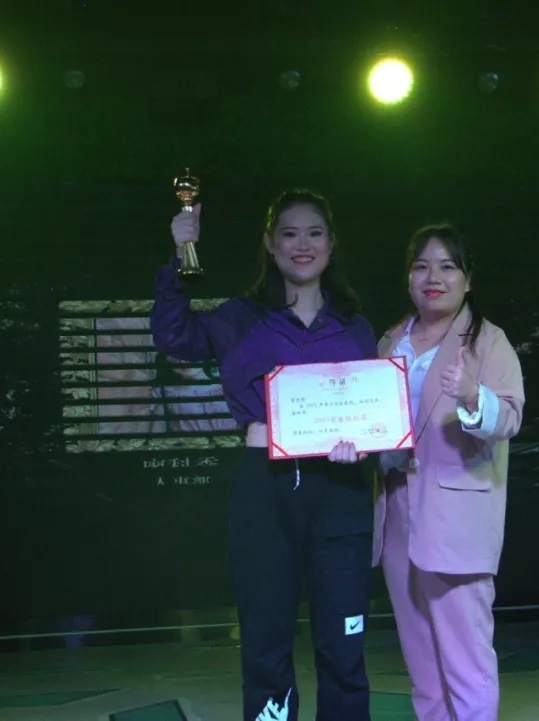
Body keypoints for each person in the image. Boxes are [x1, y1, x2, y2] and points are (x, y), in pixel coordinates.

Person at [150, 189, 378, 721]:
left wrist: (363, 443)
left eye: (314, 233)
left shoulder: (356, 328)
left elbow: (373, 413)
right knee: (265, 643)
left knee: (344, 649)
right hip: (265, 490)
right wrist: (180, 256)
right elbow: (174, 336)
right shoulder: (240, 317)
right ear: (271, 245)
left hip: (340, 492)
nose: (303, 244)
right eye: (289, 234)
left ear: (331, 244)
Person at [373, 223, 525, 721]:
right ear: (408, 277)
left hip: (455, 518)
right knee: (421, 661)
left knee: (466, 661)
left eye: (447, 266)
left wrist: (472, 395)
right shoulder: (391, 341)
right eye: (421, 266)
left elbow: (509, 417)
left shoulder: (489, 342)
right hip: (397, 513)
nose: (433, 277)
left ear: (468, 279)